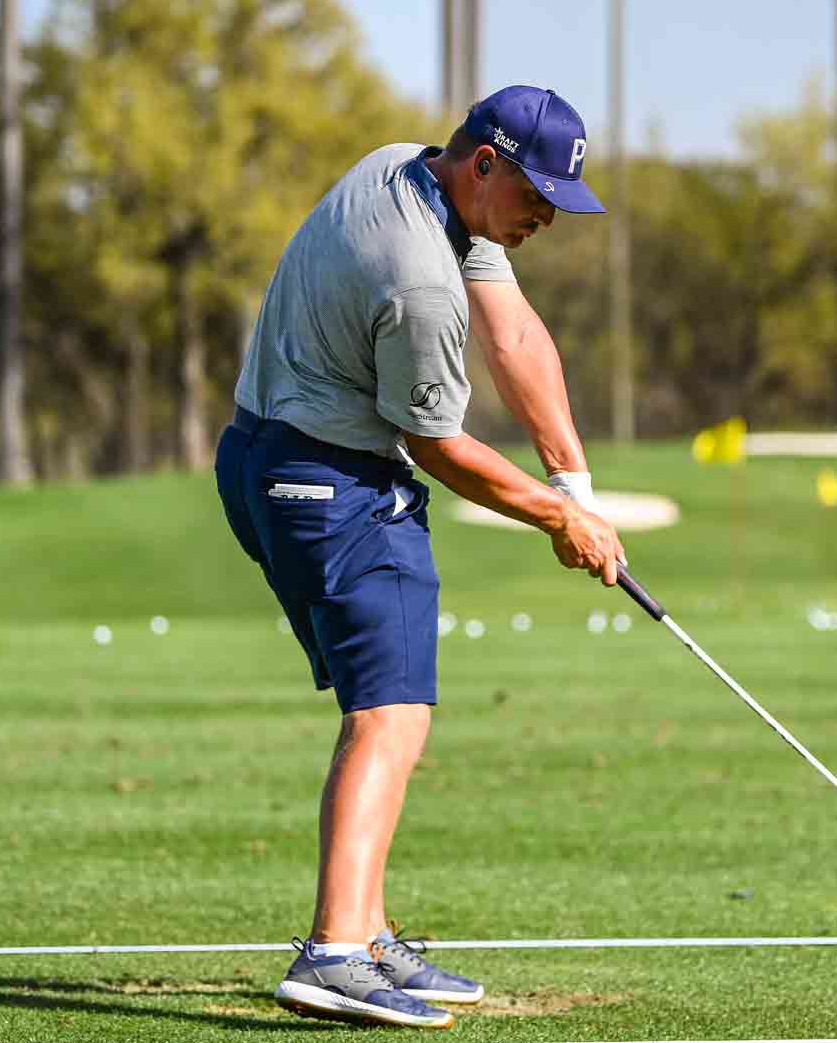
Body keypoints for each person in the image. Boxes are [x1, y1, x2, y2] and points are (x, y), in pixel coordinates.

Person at [213, 85, 625, 1030]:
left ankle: (365, 928)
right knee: (390, 716)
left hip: (268, 460)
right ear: (485, 161)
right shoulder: (419, 282)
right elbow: (438, 446)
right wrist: (556, 524)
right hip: (333, 484)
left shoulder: (406, 167)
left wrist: (578, 489)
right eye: (536, 197)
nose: (544, 219)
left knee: (385, 705)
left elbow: (516, 333)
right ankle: (335, 953)